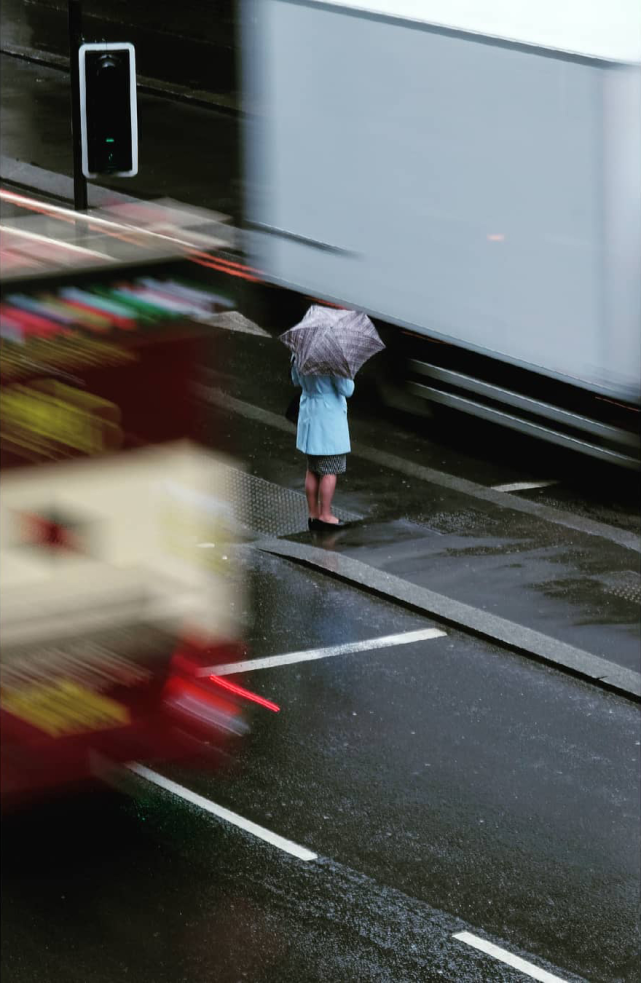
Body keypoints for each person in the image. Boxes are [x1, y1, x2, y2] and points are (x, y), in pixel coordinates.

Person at [291, 358, 355, 529]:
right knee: (330, 469)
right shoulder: (333, 358)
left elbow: (295, 380)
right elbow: (347, 389)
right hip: (328, 418)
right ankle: (325, 515)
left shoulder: (300, 353)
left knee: (312, 468)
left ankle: (313, 515)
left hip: (309, 413)